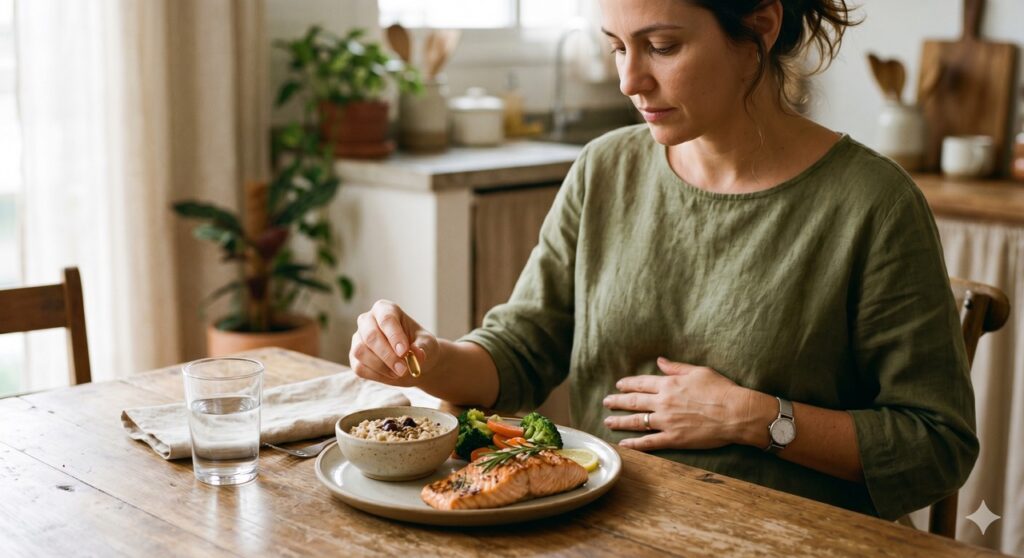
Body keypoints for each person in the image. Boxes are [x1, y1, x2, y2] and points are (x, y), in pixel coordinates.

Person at [349, 0, 978, 521]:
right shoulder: (605, 168)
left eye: (663, 46)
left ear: (758, 27)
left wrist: (755, 419)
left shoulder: (876, 204)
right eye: (618, 46)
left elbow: (938, 446)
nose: (629, 80)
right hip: (600, 525)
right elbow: (520, 350)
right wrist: (425, 360)